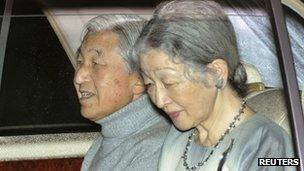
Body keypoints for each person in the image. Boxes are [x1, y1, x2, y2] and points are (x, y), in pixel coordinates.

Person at [132, 0, 295, 170]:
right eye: (149, 84)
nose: (159, 101)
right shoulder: (178, 137)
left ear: (216, 72)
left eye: (169, 83)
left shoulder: (269, 148)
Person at [74, 14, 170, 171]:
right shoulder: (111, 137)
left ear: (140, 79)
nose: (78, 76)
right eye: (79, 62)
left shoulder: (153, 152)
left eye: (95, 63)